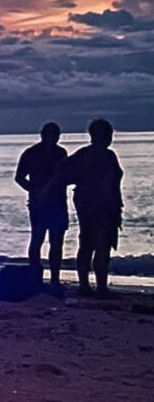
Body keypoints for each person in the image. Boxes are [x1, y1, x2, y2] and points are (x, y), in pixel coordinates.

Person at [61, 118, 124, 297]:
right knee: (99, 245)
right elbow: (63, 172)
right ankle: (96, 287)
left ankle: (89, 286)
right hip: (94, 206)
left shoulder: (105, 155)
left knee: (92, 245)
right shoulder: (90, 155)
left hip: (100, 205)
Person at [14, 122, 68, 287]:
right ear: (43, 134)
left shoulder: (61, 153)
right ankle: (35, 277)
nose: (53, 137)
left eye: (56, 134)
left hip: (58, 202)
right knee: (37, 238)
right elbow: (19, 177)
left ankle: (55, 279)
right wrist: (34, 190)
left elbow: (64, 176)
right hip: (38, 203)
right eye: (50, 134)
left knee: (56, 241)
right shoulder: (31, 153)